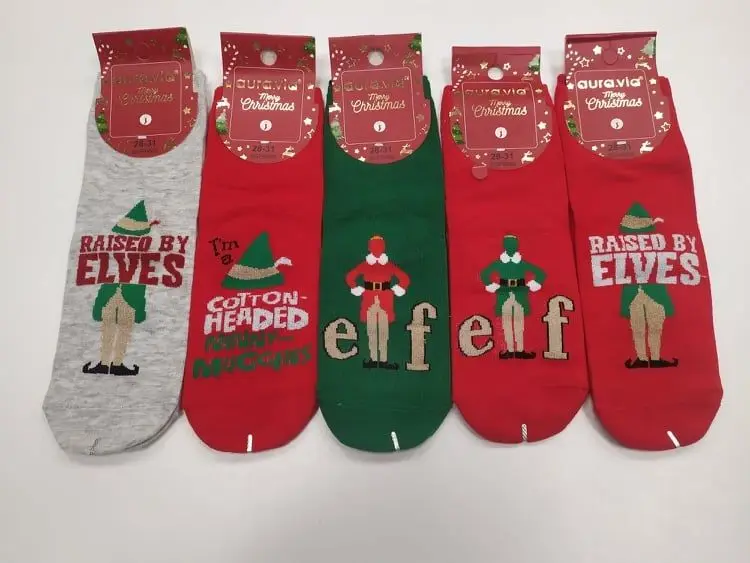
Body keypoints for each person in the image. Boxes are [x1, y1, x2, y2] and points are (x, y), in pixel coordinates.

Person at [346, 235, 410, 369]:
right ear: (370, 248)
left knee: (383, 331)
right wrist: (356, 288)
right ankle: (374, 359)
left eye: (379, 246)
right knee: (371, 330)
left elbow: (404, 278)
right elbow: (350, 277)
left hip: (385, 300)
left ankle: (384, 359)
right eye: (374, 246)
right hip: (369, 299)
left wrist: (397, 289)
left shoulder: (389, 266)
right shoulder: (365, 265)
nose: (377, 249)